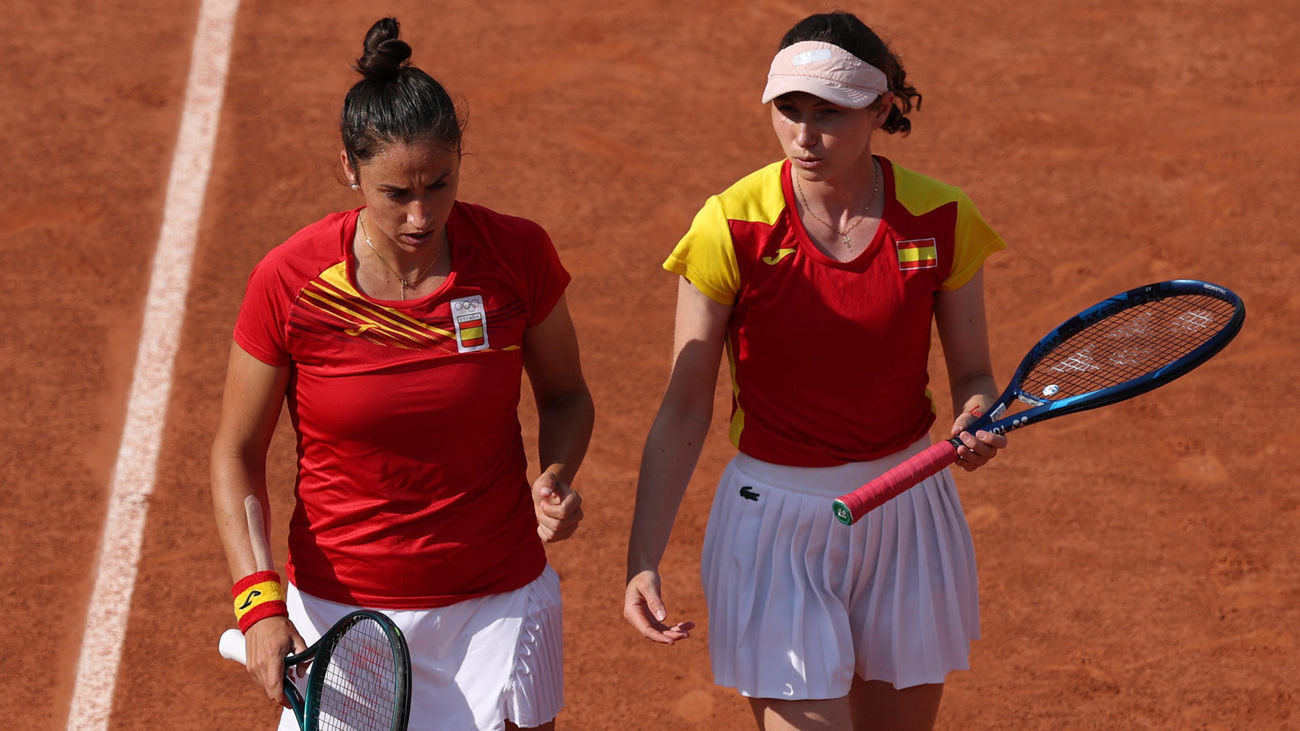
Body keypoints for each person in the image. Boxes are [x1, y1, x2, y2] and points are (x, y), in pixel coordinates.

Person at [623, 11, 1008, 731]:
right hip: (777, 525)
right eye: (788, 110)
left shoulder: (941, 218)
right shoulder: (730, 226)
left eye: (827, 114)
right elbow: (684, 406)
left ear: (880, 109)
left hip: (907, 509)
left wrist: (977, 417)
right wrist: (642, 555)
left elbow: (976, 376)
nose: (803, 135)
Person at [211, 17, 593, 731]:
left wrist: (556, 473)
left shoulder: (516, 255)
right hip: (344, 611)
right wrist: (259, 603)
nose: (422, 214)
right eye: (395, 194)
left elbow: (567, 395)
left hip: (499, 600)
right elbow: (236, 450)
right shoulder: (291, 280)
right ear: (350, 170)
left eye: (440, 185)